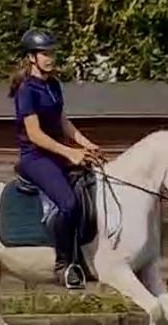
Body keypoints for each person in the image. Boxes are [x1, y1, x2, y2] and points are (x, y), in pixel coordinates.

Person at [8, 29, 103, 289]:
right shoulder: (26, 90)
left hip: (57, 153)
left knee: (90, 185)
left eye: (52, 53)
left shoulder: (53, 85)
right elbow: (35, 134)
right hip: (35, 157)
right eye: (44, 53)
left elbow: (62, 121)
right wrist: (70, 152)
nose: (50, 58)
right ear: (31, 57)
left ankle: (87, 254)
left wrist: (85, 144)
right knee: (69, 203)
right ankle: (64, 265)